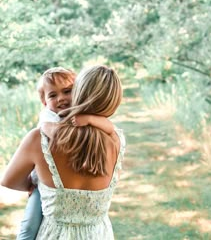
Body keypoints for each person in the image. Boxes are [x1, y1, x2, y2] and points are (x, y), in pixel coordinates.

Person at [1, 65, 125, 240]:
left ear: (79, 92)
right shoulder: (116, 139)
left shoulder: (39, 138)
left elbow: (9, 180)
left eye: (68, 91)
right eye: (53, 95)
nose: (62, 99)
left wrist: (34, 185)